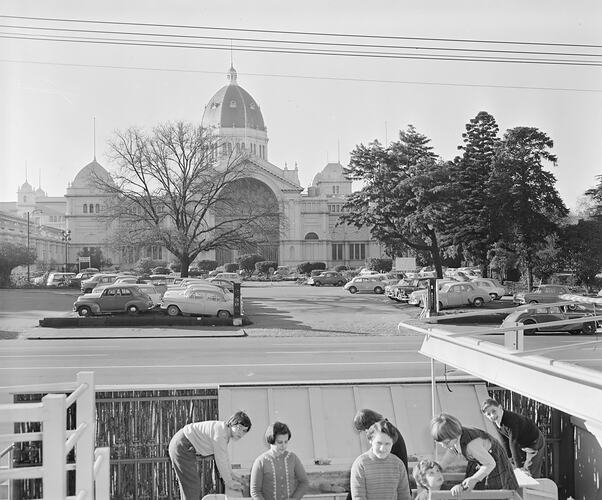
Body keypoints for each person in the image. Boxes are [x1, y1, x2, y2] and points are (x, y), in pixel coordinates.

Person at [169, 411, 252, 500]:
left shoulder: (223, 431)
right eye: (239, 428)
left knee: (189, 485)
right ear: (232, 423)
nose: (241, 433)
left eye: (244, 431)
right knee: (192, 485)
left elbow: (225, 457)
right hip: (182, 445)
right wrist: (229, 482)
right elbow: (221, 460)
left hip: (183, 444)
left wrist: (233, 475)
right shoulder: (220, 434)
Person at [430, 413, 519, 496]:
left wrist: (474, 479)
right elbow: (452, 451)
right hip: (480, 460)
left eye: (445, 442)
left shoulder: (471, 445)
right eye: (440, 443)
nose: (443, 445)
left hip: (492, 461)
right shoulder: (455, 438)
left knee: (490, 490)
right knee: (474, 484)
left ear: (454, 435)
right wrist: (441, 466)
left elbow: (490, 464)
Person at [481, 398, 546, 478]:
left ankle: (532, 487)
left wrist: (518, 468)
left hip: (533, 442)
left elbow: (513, 443)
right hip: (521, 443)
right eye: (488, 414)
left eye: (494, 411)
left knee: (530, 472)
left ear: (500, 408)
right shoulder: (496, 420)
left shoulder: (510, 421)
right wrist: (509, 459)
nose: (492, 416)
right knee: (515, 468)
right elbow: (505, 441)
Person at [350, 420, 411, 500]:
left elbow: (404, 496)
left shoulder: (398, 464)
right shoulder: (360, 464)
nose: (382, 449)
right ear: (370, 440)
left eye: (387, 444)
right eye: (379, 443)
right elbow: (358, 497)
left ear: (393, 443)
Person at [250, 421, 309, 500]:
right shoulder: (260, 461)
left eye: (286, 442)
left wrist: (295, 498)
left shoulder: (293, 458)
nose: (283, 446)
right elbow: (255, 491)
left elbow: (304, 482)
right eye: (280, 442)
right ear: (271, 440)